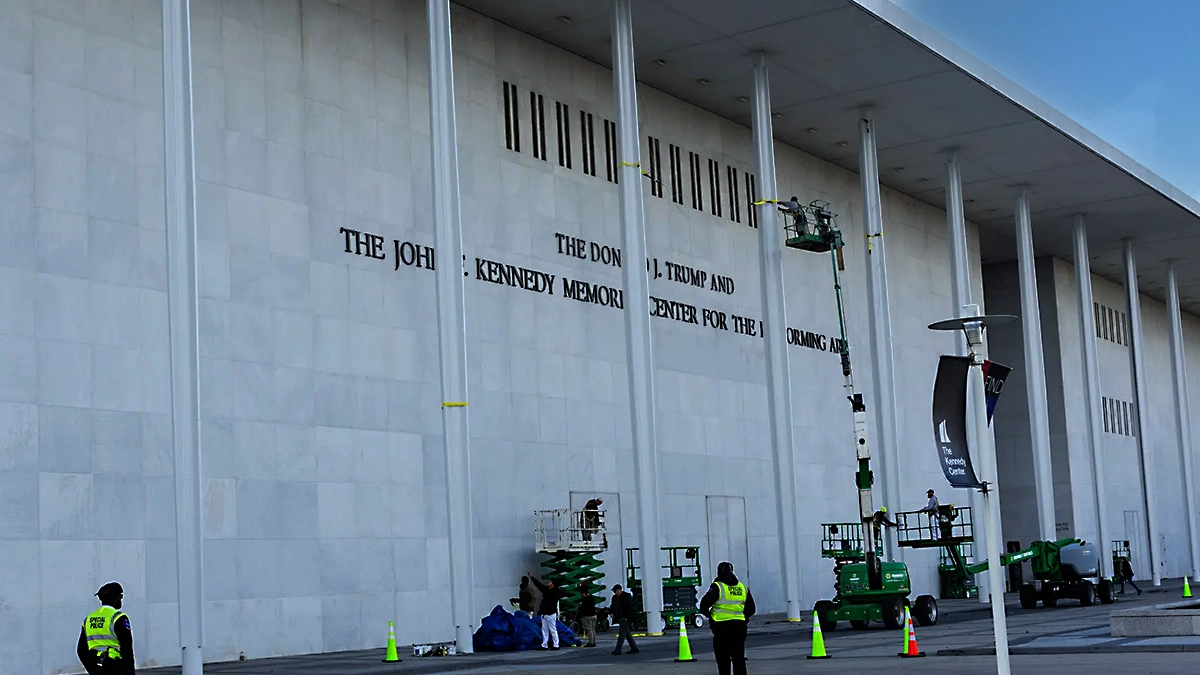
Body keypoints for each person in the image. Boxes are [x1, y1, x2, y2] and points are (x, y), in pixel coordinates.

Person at [699, 561, 756, 675]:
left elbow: (704, 605)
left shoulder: (718, 586)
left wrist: (709, 615)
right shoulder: (742, 587)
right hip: (739, 627)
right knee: (738, 658)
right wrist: (743, 617)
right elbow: (751, 609)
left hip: (722, 628)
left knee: (723, 660)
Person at [78, 582, 135, 675]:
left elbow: (81, 650)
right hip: (114, 667)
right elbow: (127, 649)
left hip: (95, 665)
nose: (121, 600)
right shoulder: (118, 618)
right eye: (120, 596)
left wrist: (92, 670)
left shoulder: (89, 619)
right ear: (114, 599)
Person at [527, 571, 563, 650]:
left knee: (549, 630)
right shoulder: (554, 592)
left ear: (553, 585)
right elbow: (539, 585)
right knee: (549, 630)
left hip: (548, 613)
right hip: (548, 613)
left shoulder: (549, 592)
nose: (549, 583)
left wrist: (532, 577)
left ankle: (550, 644)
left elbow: (539, 585)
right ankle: (550, 644)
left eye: (550, 582)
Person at [608, 584, 640, 655]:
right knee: (627, 634)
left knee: (621, 634)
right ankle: (634, 647)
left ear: (620, 590)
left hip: (624, 618)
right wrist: (611, 613)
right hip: (619, 618)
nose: (614, 592)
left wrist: (628, 618)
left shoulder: (626, 597)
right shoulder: (614, 598)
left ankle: (618, 649)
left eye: (615, 591)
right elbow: (612, 606)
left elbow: (631, 608)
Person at [578, 582, 597, 648]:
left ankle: (591, 642)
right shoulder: (592, 598)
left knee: (589, 629)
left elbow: (584, 608)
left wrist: (580, 610)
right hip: (594, 615)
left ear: (584, 593)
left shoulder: (585, 600)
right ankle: (594, 641)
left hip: (588, 615)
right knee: (592, 628)